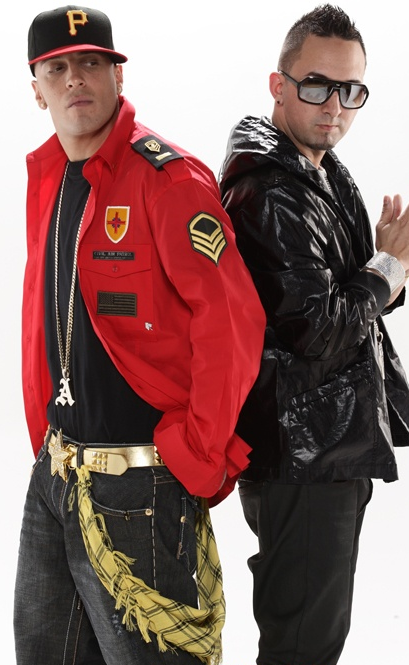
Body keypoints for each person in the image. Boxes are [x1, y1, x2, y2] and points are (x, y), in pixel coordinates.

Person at [14, 6, 266, 665]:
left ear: (118, 77)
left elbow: (233, 324)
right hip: (56, 476)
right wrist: (44, 445)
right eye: (57, 69)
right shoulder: (48, 177)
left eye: (91, 63)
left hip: (141, 485)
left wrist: (195, 450)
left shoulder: (168, 178)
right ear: (36, 89)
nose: (75, 78)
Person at [219, 4, 409, 665]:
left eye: (351, 90)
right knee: (302, 648)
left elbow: (343, 306)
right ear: (278, 85)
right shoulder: (274, 192)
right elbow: (319, 331)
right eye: (317, 85)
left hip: (323, 447)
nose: (335, 107)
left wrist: (386, 268)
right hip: (302, 452)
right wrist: (390, 266)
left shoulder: (319, 169)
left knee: (312, 641)